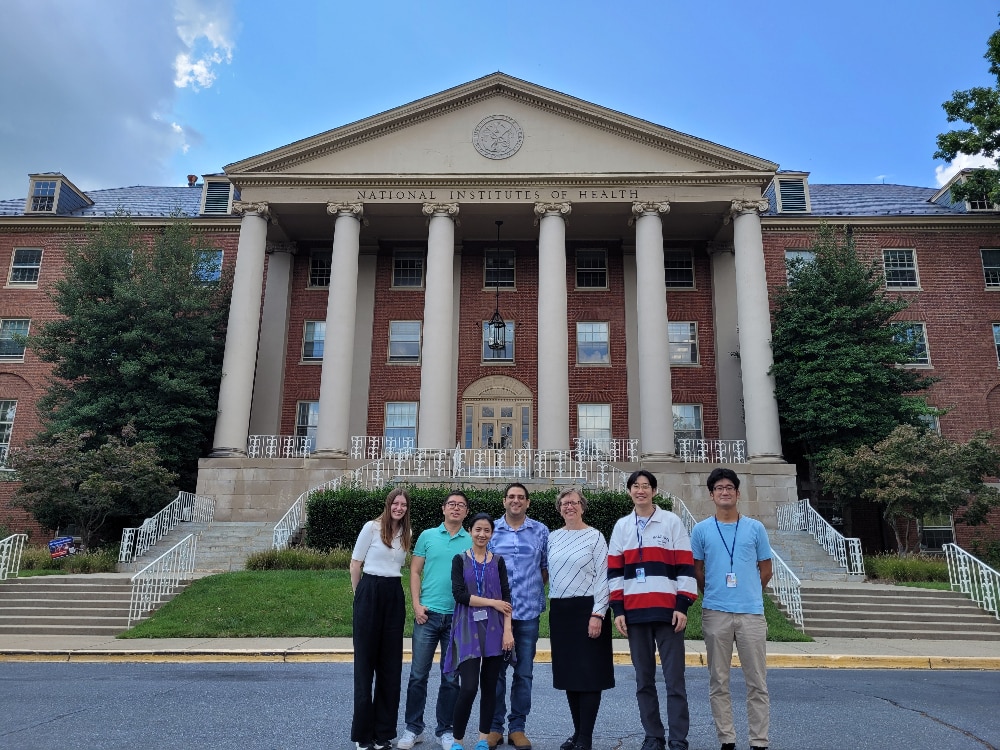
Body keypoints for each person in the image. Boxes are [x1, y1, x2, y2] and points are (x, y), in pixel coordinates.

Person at [609, 469, 698, 750]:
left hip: (668, 612)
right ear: (629, 492)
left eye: (646, 486)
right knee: (643, 680)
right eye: (635, 486)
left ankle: (678, 738)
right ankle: (653, 735)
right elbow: (614, 572)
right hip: (635, 613)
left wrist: (682, 604)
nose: (641, 491)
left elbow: (686, 566)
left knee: (675, 681)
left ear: (655, 491)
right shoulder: (622, 526)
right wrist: (618, 609)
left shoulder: (671, 522)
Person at [691, 468, 773, 750]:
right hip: (716, 612)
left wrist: (749, 593)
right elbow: (697, 570)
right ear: (711, 495)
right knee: (719, 680)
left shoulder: (755, 528)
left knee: (757, 682)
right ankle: (727, 738)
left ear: (738, 493)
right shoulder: (701, 530)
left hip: (751, 613)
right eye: (719, 488)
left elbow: (766, 569)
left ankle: (759, 740)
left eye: (729, 487)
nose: (724, 492)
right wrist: (713, 593)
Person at [399, 492, 473, 750]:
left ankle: (446, 729)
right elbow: (415, 571)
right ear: (443, 509)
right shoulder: (428, 536)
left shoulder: (471, 539)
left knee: (451, 677)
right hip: (427, 616)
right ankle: (413, 729)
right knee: (418, 675)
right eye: (451, 504)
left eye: (460, 506)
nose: (455, 508)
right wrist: (417, 605)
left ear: (466, 512)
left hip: (457, 617)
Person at [547, 488, 615, 750]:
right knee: (570, 675)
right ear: (559, 509)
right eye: (564, 503)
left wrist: (598, 613)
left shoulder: (595, 537)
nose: (569, 507)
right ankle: (577, 733)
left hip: (588, 609)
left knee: (589, 674)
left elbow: (603, 577)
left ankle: (585, 737)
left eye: (574, 502)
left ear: (582, 507)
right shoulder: (553, 537)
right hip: (561, 611)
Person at [443, 513, 515, 750]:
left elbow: (506, 597)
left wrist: (508, 632)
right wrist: (492, 603)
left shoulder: (498, 561)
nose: (482, 534)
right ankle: (457, 740)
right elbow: (460, 595)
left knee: (489, 686)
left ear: (491, 534)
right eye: (478, 530)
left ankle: (483, 739)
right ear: (470, 531)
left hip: (495, 629)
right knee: (469, 687)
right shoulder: (459, 560)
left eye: (487, 530)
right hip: (467, 627)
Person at [487, 482, 549, 750]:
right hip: (495, 615)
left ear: (527, 503)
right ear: (504, 501)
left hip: (527, 614)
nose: (516, 501)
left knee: (523, 673)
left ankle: (518, 728)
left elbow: (544, 569)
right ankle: (494, 727)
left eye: (521, 497)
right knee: (495, 673)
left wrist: (529, 589)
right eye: (511, 497)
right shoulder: (491, 530)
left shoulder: (540, 531)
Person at [350, 487, 413, 750]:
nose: (399, 508)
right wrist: (359, 598)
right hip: (370, 592)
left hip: (393, 595)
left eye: (403, 504)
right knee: (365, 666)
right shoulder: (371, 528)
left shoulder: (408, 533)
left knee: (390, 668)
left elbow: (401, 567)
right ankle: (363, 735)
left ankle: (382, 733)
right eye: (395, 503)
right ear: (388, 505)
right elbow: (355, 564)